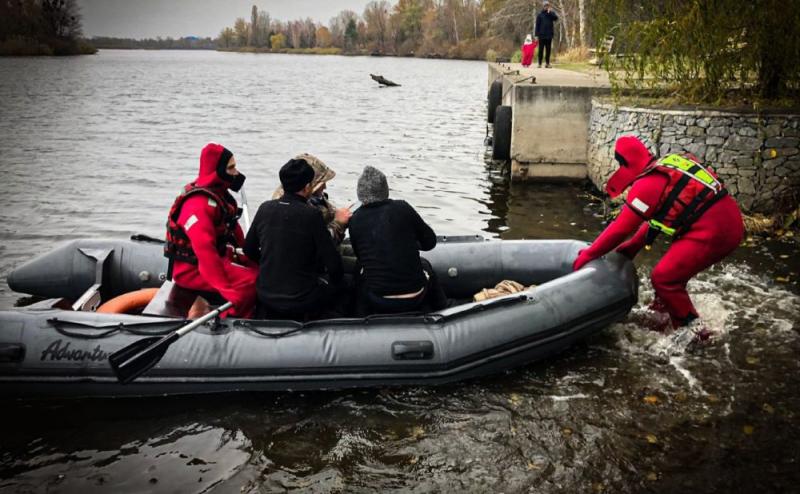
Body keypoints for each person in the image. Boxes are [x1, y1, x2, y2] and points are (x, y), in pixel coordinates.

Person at [572, 135, 744, 330]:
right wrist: (634, 245)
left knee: (664, 278)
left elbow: (620, 228)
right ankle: (661, 315)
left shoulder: (647, 184)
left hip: (716, 230)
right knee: (672, 275)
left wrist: (589, 254)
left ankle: (696, 335)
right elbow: (662, 214)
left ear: (625, 163)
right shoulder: (666, 165)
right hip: (725, 220)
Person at [164, 143, 258, 318]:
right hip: (192, 269)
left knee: (261, 270)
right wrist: (226, 289)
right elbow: (205, 252)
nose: (236, 173)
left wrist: (252, 256)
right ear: (218, 171)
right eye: (231, 168)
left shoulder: (219, 196)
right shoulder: (197, 206)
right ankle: (232, 320)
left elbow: (233, 232)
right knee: (252, 282)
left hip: (218, 258)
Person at [244, 157, 345, 321]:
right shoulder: (312, 215)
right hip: (302, 298)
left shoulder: (264, 208)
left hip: (266, 295)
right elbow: (334, 266)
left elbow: (249, 250)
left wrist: (270, 263)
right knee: (345, 285)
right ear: (307, 188)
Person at [348, 165, 448, 315]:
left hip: (378, 299)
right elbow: (430, 242)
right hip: (416, 296)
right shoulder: (403, 208)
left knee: (359, 270)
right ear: (385, 190)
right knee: (425, 264)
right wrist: (409, 243)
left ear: (360, 194)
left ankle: (359, 318)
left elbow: (361, 256)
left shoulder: (355, 219)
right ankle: (443, 309)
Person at [271, 153, 352, 245]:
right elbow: (322, 243)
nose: (324, 187)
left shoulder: (313, 198)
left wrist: (342, 214)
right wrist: (339, 223)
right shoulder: (301, 211)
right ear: (309, 185)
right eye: (321, 184)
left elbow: (328, 212)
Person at [534, 0, 558, 68]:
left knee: (548, 50)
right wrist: (536, 35)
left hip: (549, 35)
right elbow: (537, 26)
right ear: (543, 6)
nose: (546, 7)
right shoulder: (540, 15)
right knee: (541, 50)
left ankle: (547, 63)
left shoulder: (551, 14)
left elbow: (556, 18)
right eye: (545, 6)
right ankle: (539, 63)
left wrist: (550, 12)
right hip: (541, 35)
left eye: (547, 5)